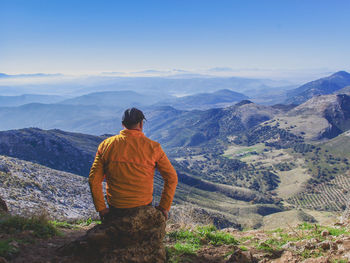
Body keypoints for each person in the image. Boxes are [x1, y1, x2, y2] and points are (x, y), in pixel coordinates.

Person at [89, 107, 178, 221]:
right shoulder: (153, 147)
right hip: (143, 207)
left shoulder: (106, 145)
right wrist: (164, 207)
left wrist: (101, 209)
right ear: (141, 124)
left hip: (116, 208)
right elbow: (172, 178)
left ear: (123, 124)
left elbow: (93, 180)